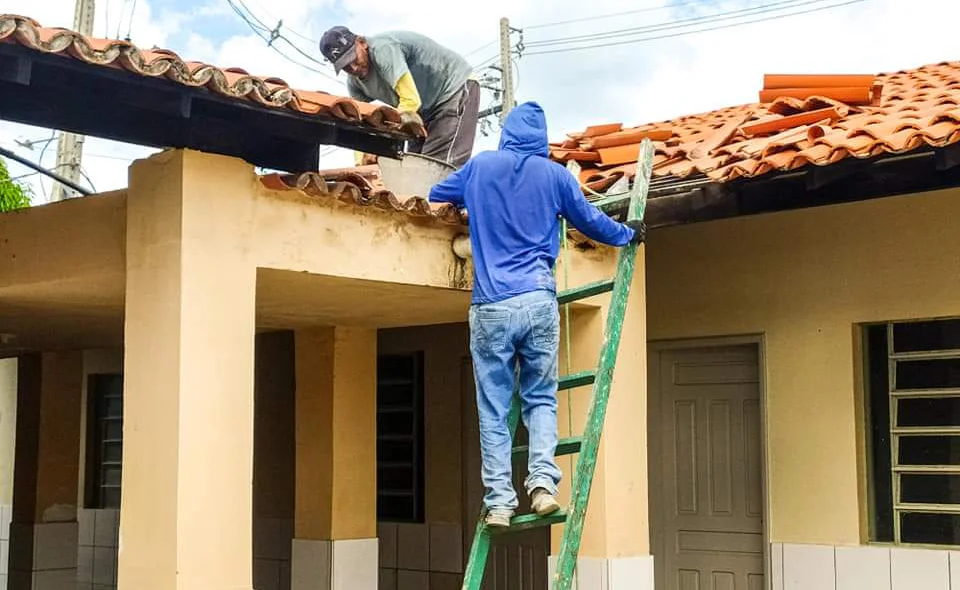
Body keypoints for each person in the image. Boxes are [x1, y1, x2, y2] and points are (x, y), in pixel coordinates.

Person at [428, 102, 646, 526]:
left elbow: (436, 194)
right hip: (538, 301)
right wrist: (628, 233)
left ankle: (499, 503)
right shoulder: (556, 176)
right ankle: (543, 486)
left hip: (491, 305)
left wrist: (477, 206)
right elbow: (590, 221)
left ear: (506, 133)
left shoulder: (481, 167)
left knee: (493, 409)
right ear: (541, 139)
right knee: (541, 399)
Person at [319, 26, 480, 168]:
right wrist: (361, 164)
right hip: (422, 112)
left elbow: (411, 100)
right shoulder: (355, 83)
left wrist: (381, 144)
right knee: (411, 169)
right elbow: (359, 124)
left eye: (353, 58)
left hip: (453, 89)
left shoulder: (383, 50)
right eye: (345, 66)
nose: (353, 67)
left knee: (436, 169)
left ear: (362, 43)